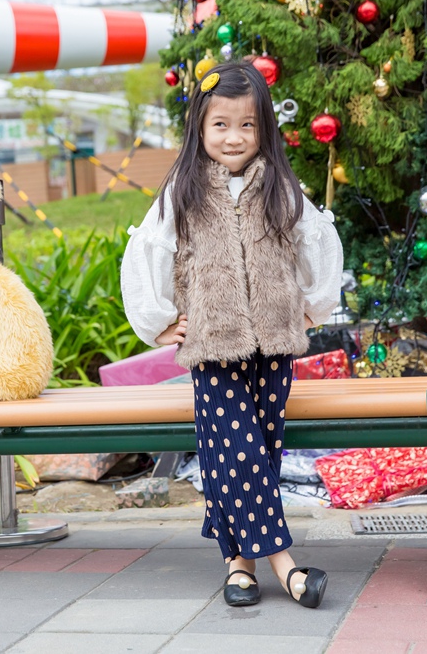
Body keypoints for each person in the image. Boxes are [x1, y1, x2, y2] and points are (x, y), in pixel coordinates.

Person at [121, 62, 344, 608]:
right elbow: (148, 251)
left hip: (274, 345)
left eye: (247, 126)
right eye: (220, 125)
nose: (234, 137)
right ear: (200, 127)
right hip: (213, 346)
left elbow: (315, 243)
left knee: (252, 450)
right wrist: (161, 323)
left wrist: (313, 308)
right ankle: (287, 566)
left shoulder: (279, 186)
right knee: (240, 449)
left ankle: (237, 565)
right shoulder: (185, 189)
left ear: (264, 129)